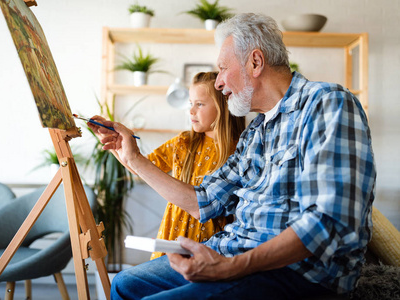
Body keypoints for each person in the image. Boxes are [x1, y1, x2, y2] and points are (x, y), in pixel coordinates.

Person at [90, 13, 376, 300]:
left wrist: (231, 268)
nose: (218, 83)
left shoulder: (327, 102)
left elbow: (327, 222)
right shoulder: (256, 131)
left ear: (255, 62)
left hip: (296, 275)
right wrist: (132, 157)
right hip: (233, 253)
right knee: (125, 284)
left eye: (223, 68)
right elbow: (203, 202)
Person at [91, 72, 245, 260]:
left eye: (200, 104)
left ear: (223, 106)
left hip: (211, 247)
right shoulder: (183, 143)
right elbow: (142, 168)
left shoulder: (239, 151)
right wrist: (115, 146)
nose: (191, 111)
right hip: (172, 236)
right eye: (190, 103)